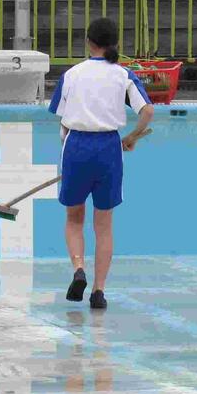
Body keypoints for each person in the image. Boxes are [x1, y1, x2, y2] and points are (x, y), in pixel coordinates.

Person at [49, 17, 154, 309]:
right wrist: (132, 137)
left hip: (76, 145)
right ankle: (98, 291)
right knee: (104, 225)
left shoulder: (72, 74)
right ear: (115, 43)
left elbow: (62, 119)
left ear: (88, 42)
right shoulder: (123, 75)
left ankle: (78, 268)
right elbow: (147, 111)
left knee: (74, 218)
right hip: (109, 147)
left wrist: (69, 148)